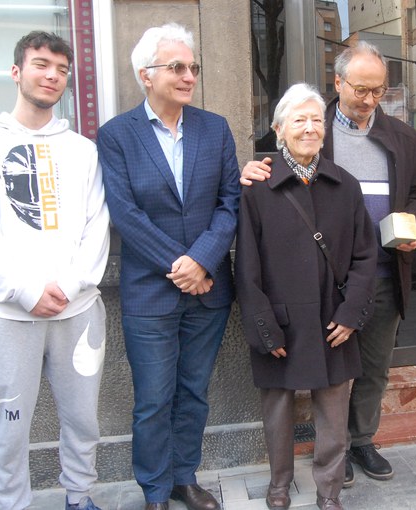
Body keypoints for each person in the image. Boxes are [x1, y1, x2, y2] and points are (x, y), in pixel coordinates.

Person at [241, 42, 416, 487]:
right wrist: (249, 170)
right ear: (338, 82)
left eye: (378, 90)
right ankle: (334, 451)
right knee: (326, 368)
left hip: (382, 269)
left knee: (373, 365)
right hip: (323, 281)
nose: (369, 99)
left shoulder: (402, 136)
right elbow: (279, 171)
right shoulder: (313, 123)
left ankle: (362, 438)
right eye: (361, 88)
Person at [0, 31, 110, 510]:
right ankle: (13, 504)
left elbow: (96, 227)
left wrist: (66, 285)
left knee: (83, 419)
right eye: (41, 65)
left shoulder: (82, 150)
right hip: (6, 317)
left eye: (61, 70)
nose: (52, 76)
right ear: (17, 71)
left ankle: (79, 498)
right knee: (8, 425)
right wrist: (24, 290)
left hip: (78, 312)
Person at [97, 23, 240, 510]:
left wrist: (201, 261)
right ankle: (154, 490)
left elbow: (229, 203)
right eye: (176, 67)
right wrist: (179, 265)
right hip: (150, 293)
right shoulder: (117, 136)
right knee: (153, 400)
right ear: (146, 74)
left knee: (193, 393)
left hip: (208, 290)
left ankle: (184, 478)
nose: (188, 76)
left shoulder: (214, 128)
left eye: (193, 67)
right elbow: (124, 214)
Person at [236, 83, 377, 510]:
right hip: (279, 319)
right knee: (278, 411)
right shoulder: (257, 188)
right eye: (299, 119)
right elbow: (245, 267)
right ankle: (279, 486)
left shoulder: (345, 186)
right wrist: (264, 327)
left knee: (334, 415)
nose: (310, 128)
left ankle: (329, 492)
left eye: (316, 119)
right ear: (279, 129)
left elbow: (366, 255)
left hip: (333, 320)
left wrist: (352, 313)